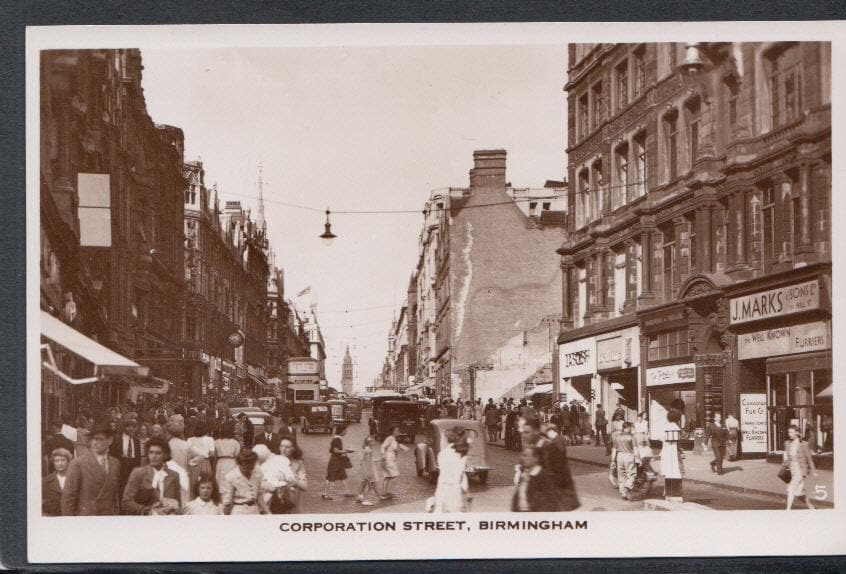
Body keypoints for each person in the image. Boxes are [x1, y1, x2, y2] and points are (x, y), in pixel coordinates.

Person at [518, 415, 580, 511]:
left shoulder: (548, 448)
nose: (523, 435)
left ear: (536, 432)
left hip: (555, 500)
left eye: (526, 432)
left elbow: (559, 476)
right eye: (522, 432)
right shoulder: (532, 448)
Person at [61, 422, 121, 516]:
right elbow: (68, 499)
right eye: (93, 439)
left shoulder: (115, 463)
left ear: (110, 440)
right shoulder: (78, 464)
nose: (94, 443)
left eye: (99, 439)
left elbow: (115, 496)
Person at [121, 437, 181, 515]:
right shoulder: (138, 473)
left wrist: (174, 507)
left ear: (165, 455)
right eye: (151, 452)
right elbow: (126, 502)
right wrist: (149, 511)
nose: (153, 456)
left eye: (158, 453)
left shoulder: (174, 475)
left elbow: (178, 504)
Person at [511, 445, 559, 512]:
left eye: (525, 456)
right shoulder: (524, 473)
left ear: (535, 459)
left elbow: (550, 503)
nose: (522, 458)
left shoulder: (544, 476)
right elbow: (518, 497)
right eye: (522, 455)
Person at [221, 450, 269, 515]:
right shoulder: (230, 477)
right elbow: (227, 503)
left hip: (254, 511)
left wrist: (267, 512)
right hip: (239, 511)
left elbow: (258, 494)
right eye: (245, 467)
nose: (249, 469)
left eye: (251, 466)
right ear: (239, 464)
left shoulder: (257, 472)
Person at [433, 430, 469, 512]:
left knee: (440, 512)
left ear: (447, 440)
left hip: (442, 488)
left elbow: (442, 475)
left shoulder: (442, 454)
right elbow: (462, 475)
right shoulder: (461, 455)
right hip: (455, 490)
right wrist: (466, 492)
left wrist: (437, 493)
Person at [784, 424, 818, 510]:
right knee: (799, 491)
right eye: (789, 432)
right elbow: (787, 457)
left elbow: (809, 458)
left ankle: (787, 509)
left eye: (791, 432)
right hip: (792, 468)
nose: (789, 434)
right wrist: (785, 466)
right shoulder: (787, 443)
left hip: (801, 469)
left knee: (791, 488)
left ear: (797, 433)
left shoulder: (804, 444)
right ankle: (811, 507)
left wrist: (814, 471)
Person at [253, 443, 295, 514]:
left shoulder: (278, 460)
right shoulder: (280, 459)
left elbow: (290, 478)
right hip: (271, 489)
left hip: (276, 490)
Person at [323, 425, 355, 500]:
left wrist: (345, 451)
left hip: (337, 460)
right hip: (335, 460)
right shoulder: (337, 439)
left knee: (343, 475)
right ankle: (325, 494)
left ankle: (347, 492)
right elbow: (336, 451)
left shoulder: (336, 438)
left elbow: (332, 449)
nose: (346, 432)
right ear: (342, 431)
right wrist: (347, 451)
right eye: (345, 430)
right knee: (330, 476)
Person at [612, 422, 642, 500]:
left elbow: (614, 449)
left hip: (619, 456)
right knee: (631, 474)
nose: (632, 429)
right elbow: (635, 449)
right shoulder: (632, 437)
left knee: (621, 475)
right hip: (629, 456)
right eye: (631, 427)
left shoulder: (617, 437)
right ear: (628, 427)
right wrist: (638, 459)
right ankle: (628, 486)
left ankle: (623, 493)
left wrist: (613, 460)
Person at [110, 419, 141, 491]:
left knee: (132, 487)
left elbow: (138, 456)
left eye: (133, 427)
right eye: (128, 427)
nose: (131, 429)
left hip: (133, 465)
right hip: (122, 465)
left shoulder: (136, 441)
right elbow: (112, 454)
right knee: (121, 486)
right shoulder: (117, 439)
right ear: (124, 428)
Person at [380, 426, 408, 499]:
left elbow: (394, 450)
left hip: (391, 459)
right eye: (396, 430)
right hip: (388, 459)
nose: (398, 431)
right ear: (392, 431)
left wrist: (402, 448)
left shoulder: (394, 439)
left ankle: (384, 492)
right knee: (394, 476)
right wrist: (383, 455)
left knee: (388, 476)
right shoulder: (390, 438)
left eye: (398, 430)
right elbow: (383, 446)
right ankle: (386, 492)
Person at [187, 422, 215, 493]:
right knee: (206, 485)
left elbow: (188, 454)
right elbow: (212, 454)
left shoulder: (190, 440)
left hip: (194, 464)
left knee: (193, 485)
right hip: (205, 463)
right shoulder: (210, 439)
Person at [43, 448, 72, 516]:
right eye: (57, 461)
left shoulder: (75, 479)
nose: (60, 463)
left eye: (63, 460)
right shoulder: (45, 481)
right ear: (53, 463)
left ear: (68, 462)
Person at [214, 422, 241, 489]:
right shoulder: (235, 442)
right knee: (231, 481)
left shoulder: (217, 442)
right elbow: (237, 454)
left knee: (220, 481)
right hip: (232, 462)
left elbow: (214, 454)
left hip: (221, 462)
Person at [285, 440, 308, 513]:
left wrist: (295, 482)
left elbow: (304, 486)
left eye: (288, 447)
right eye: (281, 446)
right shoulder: (274, 463)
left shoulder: (299, 464)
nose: (284, 449)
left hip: (294, 500)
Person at [357, 436, 381, 506]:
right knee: (372, 484)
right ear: (369, 443)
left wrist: (378, 460)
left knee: (364, 483)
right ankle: (365, 499)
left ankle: (360, 496)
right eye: (372, 441)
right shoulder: (368, 450)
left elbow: (364, 460)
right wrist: (369, 471)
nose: (373, 443)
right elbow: (367, 461)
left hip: (365, 469)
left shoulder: (366, 449)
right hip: (369, 469)